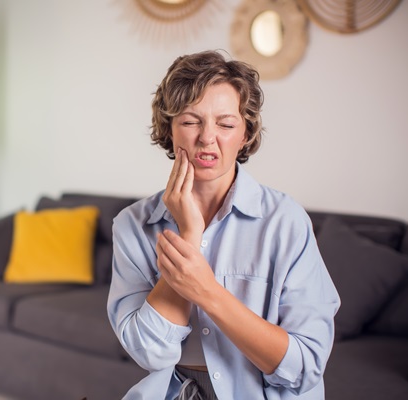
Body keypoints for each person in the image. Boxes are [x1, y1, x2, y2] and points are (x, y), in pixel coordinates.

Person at [107, 50, 340, 400]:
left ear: (245, 134)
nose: (207, 138)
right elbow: (149, 352)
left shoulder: (285, 221)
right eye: (190, 121)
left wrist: (205, 291)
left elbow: (304, 366)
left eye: (226, 124)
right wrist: (190, 234)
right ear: (168, 130)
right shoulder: (132, 226)